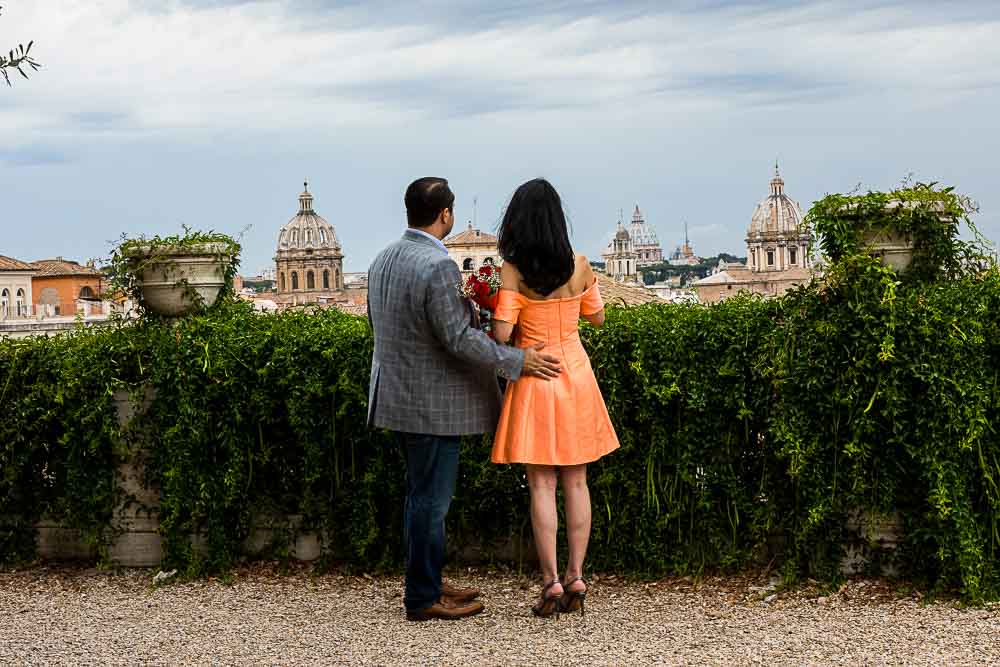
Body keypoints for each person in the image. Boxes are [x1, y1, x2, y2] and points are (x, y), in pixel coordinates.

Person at [367, 177, 563, 622]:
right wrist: (517, 360)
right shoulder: (437, 266)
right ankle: (422, 597)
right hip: (431, 405)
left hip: (396, 396)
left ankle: (429, 579)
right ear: (446, 216)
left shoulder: (384, 258)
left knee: (419, 496)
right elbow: (457, 338)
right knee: (431, 502)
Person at [490, 178, 620, 618]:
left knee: (542, 484)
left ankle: (550, 581)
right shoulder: (580, 264)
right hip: (575, 374)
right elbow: (598, 319)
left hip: (535, 378)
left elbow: (503, 336)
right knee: (577, 482)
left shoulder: (513, 270)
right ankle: (577, 575)